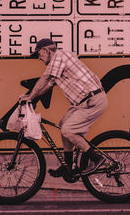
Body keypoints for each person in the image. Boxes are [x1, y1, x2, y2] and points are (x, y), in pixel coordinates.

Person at [20, 38, 108, 177]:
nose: (39, 58)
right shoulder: (58, 65)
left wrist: (30, 96)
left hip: (93, 101)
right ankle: (68, 165)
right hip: (83, 103)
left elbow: (45, 78)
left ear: (46, 50)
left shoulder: (60, 56)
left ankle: (97, 158)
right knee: (63, 125)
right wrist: (32, 98)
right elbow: (47, 86)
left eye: (39, 54)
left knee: (68, 130)